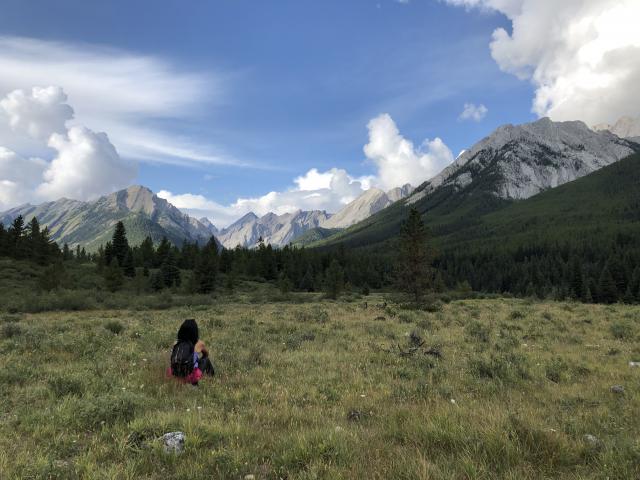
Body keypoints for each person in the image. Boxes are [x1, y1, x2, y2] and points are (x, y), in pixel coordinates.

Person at [168, 319, 214, 385]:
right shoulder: (199, 344)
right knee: (206, 360)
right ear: (195, 332)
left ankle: (180, 380)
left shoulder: (176, 343)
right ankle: (211, 379)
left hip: (174, 375)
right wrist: (197, 357)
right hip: (190, 377)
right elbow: (206, 354)